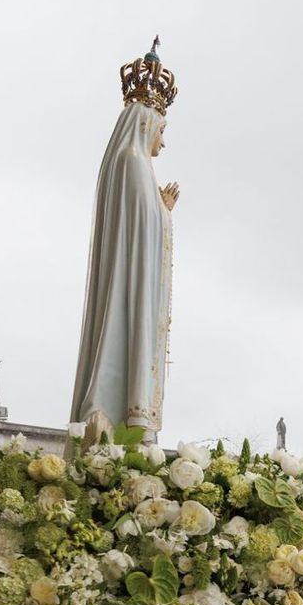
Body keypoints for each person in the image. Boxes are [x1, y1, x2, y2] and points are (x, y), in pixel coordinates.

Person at [71, 41, 179, 444]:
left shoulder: (131, 162)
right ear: (147, 123)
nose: (163, 142)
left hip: (128, 273)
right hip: (128, 284)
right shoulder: (133, 162)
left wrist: (160, 210)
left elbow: (138, 222)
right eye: (162, 131)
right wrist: (164, 213)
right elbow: (141, 228)